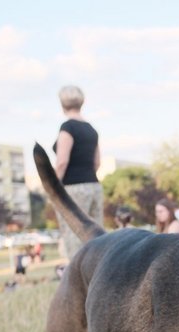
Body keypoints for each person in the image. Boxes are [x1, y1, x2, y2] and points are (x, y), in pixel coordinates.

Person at [53, 85, 104, 260]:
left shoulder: (67, 128)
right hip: (94, 186)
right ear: (81, 103)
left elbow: (62, 162)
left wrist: (54, 188)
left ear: (62, 104)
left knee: (73, 235)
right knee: (96, 236)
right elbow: (97, 162)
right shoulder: (91, 129)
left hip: (73, 188)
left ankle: (77, 281)